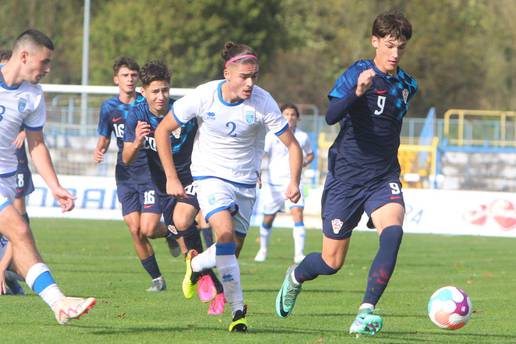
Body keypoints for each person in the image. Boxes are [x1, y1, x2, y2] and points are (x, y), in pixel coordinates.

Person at [275, 10, 418, 337]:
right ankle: (296, 275)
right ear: (375, 42)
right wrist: (357, 91)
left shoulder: (408, 85)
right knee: (331, 262)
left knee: (393, 233)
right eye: (390, 45)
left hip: (383, 178)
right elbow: (330, 116)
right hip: (346, 180)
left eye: (401, 48)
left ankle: (365, 311)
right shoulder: (358, 72)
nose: (395, 54)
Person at [155, 41, 303, 332]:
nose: (250, 83)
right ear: (228, 72)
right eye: (244, 76)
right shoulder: (205, 95)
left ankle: (196, 265)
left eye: (254, 76)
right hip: (210, 177)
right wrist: (172, 177)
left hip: (246, 184)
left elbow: (293, 146)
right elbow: (163, 130)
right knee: (222, 234)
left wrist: (294, 181)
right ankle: (238, 313)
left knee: (229, 254)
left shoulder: (263, 102)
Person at [0, 29, 95, 323]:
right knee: (20, 230)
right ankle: (59, 302)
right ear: (24, 56)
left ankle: (59, 305)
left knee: (18, 253)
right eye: (44, 62)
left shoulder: (33, 96)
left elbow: (37, 145)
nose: (47, 69)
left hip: (5, 178)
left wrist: (55, 186)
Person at [123, 60, 225, 314]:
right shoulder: (136, 114)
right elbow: (126, 158)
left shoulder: (183, 110)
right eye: (155, 91)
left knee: (182, 221)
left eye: (165, 90)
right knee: (186, 248)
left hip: (193, 177)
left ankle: (219, 290)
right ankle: (210, 283)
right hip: (163, 186)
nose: (161, 97)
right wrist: (136, 141)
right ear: (143, 92)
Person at [95, 56, 179, 292]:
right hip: (125, 174)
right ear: (116, 79)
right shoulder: (110, 107)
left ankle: (171, 233)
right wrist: (100, 148)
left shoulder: (148, 104)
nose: (129, 79)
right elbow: (105, 134)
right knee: (134, 229)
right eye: (125, 75)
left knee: (149, 229)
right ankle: (157, 279)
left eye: (133, 75)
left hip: (150, 172)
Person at [255, 103, 314, 264]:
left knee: (298, 214)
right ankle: (263, 250)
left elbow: (310, 154)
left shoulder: (303, 137)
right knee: (268, 219)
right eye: (286, 114)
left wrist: (303, 163)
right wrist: (257, 173)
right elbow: (260, 155)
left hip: (294, 183)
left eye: (293, 114)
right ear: (281, 117)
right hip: (274, 184)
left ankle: (299, 254)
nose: (290, 117)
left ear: (298, 118)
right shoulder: (272, 136)